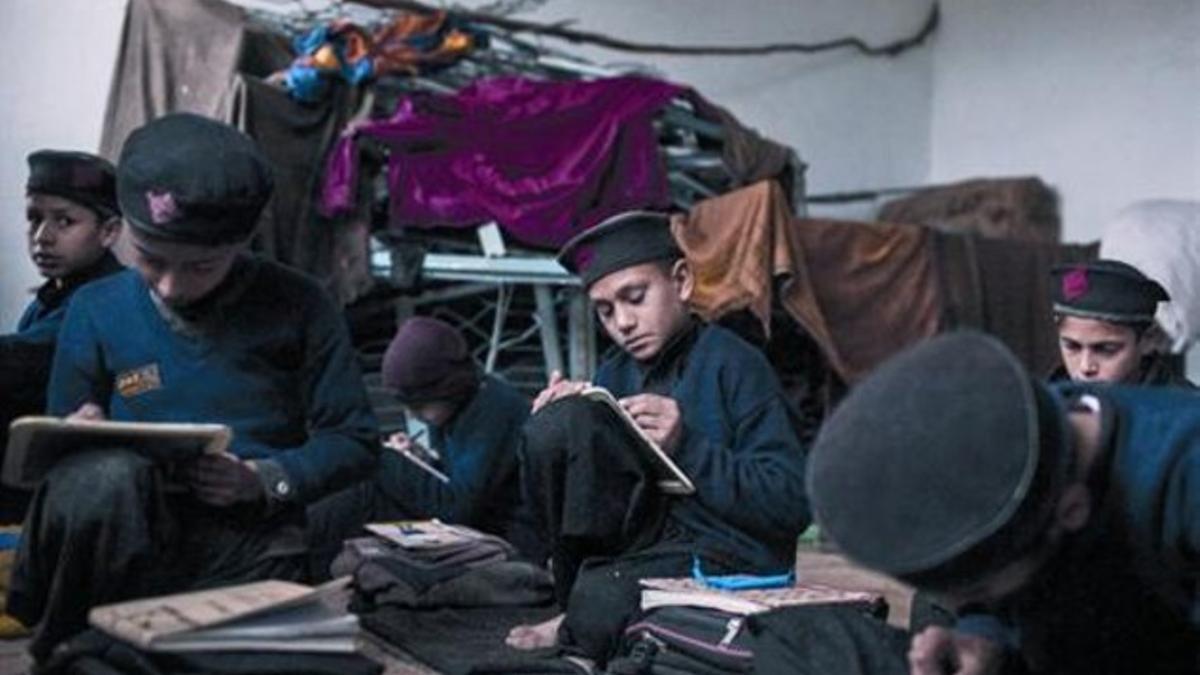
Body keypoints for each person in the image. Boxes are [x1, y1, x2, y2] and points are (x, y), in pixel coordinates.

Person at [6, 113, 379, 660]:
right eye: (151, 260)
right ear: (121, 230)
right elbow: (60, 445)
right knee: (102, 478)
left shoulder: (300, 304)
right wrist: (76, 433)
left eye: (202, 266)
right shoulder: (93, 308)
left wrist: (264, 480)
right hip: (120, 536)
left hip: (247, 543)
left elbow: (354, 439)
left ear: (244, 240)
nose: (172, 286)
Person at [509, 210, 811, 664]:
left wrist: (687, 446)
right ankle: (582, 612)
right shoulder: (616, 370)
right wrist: (576, 417)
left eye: (635, 297)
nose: (623, 323)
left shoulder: (736, 365)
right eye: (606, 311)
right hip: (651, 548)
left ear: (683, 282)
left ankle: (585, 618)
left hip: (727, 559)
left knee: (606, 598)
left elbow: (791, 503)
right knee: (560, 426)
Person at [807, 331, 1199, 675]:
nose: (972, 603)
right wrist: (986, 636)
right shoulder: (1032, 435)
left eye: (983, 589)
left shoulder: (1184, 483)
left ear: (1073, 510)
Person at [307, 315, 540, 577]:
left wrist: (386, 459)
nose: (415, 416)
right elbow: (459, 478)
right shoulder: (458, 409)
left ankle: (303, 559)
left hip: (507, 534)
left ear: (447, 390)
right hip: (475, 517)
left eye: (418, 407)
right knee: (357, 488)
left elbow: (458, 506)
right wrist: (419, 461)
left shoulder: (494, 410)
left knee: (368, 492)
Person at [0, 151, 123, 490]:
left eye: (64, 221)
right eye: (34, 218)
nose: (42, 236)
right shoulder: (49, 297)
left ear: (109, 231)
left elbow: (26, 358)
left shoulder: (108, 299)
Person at [1048, 259, 1193, 386]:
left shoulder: (1187, 410)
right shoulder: (1041, 406)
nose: (1085, 367)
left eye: (1106, 349)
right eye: (1072, 347)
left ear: (1148, 340)